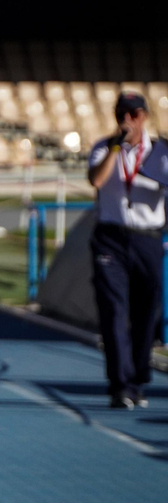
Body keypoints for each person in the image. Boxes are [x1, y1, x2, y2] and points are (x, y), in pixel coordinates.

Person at [87, 90, 168, 409]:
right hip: (111, 237)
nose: (127, 120)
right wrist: (116, 146)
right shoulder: (103, 148)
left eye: (133, 114)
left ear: (144, 117)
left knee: (147, 314)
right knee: (114, 311)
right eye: (121, 113)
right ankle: (120, 384)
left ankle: (137, 379)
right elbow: (97, 180)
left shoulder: (161, 152)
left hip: (147, 237)